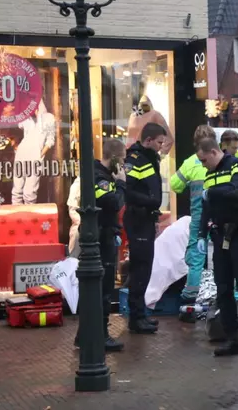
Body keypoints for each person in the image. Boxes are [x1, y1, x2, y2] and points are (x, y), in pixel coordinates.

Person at [197, 138, 238, 358]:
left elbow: (235, 190)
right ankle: (232, 339)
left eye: (204, 160)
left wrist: (211, 193)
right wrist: (201, 234)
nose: (203, 164)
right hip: (220, 236)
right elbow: (205, 208)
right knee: (223, 289)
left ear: (214, 152)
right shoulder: (209, 174)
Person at [74, 138, 128, 351]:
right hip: (99, 238)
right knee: (102, 289)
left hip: (102, 236)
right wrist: (122, 183)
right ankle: (101, 336)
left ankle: (84, 335)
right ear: (114, 158)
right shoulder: (100, 178)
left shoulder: (102, 175)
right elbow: (114, 203)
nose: (123, 165)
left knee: (96, 289)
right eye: (122, 159)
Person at [123, 122, 167, 334]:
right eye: (159, 142)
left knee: (145, 268)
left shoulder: (149, 158)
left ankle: (140, 315)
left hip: (147, 219)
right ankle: (136, 318)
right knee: (139, 268)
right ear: (148, 140)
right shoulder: (134, 160)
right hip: (138, 219)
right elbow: (128, 191)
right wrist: (150, 203)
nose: (161, 146)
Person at [170, 125, 217, 304]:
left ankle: (190, 298)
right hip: (220, 217)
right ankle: (232, 297)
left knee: (196, 258)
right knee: (225, 256)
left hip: (199, 218)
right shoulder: (222, 159)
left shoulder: (191, 162)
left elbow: (175, 185)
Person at [11, 100, 56, 205]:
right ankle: (17, 218)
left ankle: (28, 219)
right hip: (21, 154)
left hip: (36, 157)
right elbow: (17, 126)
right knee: (17, 191)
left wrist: (40, 154)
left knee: (30, 193)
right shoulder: (25, 117)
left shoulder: (48, 118)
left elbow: (50, 140)